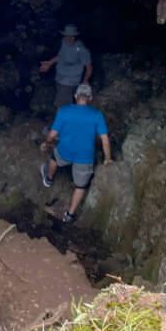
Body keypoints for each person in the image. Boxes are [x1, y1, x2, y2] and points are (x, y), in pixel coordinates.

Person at [39, 84, 112, 222]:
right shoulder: (97, 114)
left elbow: (53, 134)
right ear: (90, 98)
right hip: (84, 157)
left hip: (65, 151)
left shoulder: (64, 111)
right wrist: (108, 158)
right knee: (80, 186)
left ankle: (48, 178)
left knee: (55, 157)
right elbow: (105, 140)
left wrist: (47, 143)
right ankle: (69, 215)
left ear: (75, 96)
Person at [39, 24, 92, 110]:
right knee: (68, 106)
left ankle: (60, 123)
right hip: (60, 79)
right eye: (66, 35)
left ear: (74, 37)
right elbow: (61, 56)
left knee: (61, 108)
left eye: (69, 36)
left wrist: (85, 81)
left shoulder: (81, 49)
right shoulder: (64, 42)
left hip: (69, 82)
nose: (67, 38)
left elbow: (89, 67)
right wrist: (49, 63)